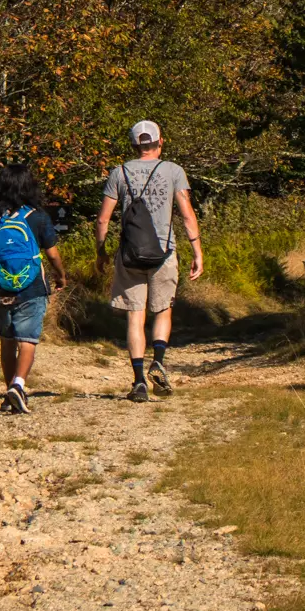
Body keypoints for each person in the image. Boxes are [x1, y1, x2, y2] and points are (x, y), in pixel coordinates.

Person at [95, 119, 202, 402]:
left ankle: (139, 380)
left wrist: (101, 252)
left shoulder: (119, 173)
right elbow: (187, 215)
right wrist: (197, 251)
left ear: (133, 145)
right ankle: (159, 360)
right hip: (163, 253)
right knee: (163, 309)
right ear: (160, 142)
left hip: (129, 255)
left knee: (135, 315)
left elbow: (103, 219)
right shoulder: (173, 171)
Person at [0, 164, 68, 414]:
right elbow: (52, 254)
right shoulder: (38, 216)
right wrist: (61, 276)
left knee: (7, 340)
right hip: (32, 286)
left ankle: (9, 393)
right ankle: (18, 385)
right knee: (28, 340)